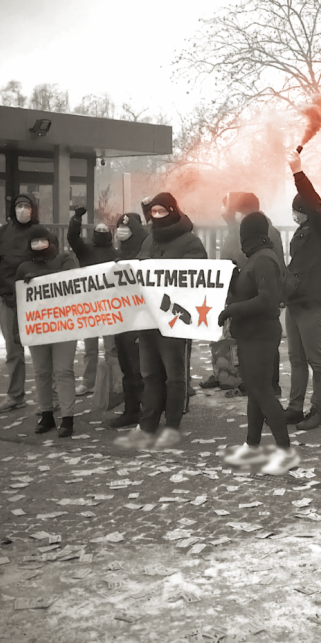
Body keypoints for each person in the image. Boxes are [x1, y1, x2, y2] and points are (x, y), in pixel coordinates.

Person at [114, 192, 207, 450]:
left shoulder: (190, 241)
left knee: (174, 377)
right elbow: (139, 270)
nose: (156, 216)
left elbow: (196, 273)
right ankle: (148, 423)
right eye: (153, 212)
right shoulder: (149, 240)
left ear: (172, 211)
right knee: (150, 374)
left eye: (161, 211)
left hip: (175, 318)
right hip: (148, 318)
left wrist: (157, 267)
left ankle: (172, 425)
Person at [220, 212, 300, 475]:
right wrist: (235, 278)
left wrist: (232, 310)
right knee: (255, 391)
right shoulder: (256, 258)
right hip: (251, 335)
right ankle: (252, 445)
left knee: (263, 392)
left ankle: (284, 452)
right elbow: (251, 291)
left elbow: (267, 300)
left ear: (249, 235)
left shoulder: (263, 259)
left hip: (260, 335)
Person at [283, 149, 321, 431]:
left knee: (315, 360)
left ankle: (318, 410)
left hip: (313, 304)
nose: (294, 214)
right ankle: (294, 408)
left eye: (297, 210)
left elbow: (313, 201)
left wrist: (298, 172)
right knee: (296, 358)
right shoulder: (302, 232)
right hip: (295, 303)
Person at [208, 192, 285, 396]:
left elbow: (274, 263)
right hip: (243, 287)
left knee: (265, 348)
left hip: (256, 289)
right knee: (241, 342)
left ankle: (270, 385)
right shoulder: (240, 229)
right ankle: (238, 376)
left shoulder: (266, 234)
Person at [0, 193, 39, 412]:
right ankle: (15, 395)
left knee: (43, 350)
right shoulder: (2, 233)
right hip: (9, 300)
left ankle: (51, 398)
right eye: (19, 206)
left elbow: (51, 262)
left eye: (27, 206)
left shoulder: (40, 233)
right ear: (13, 209)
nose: (23, 210)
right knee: (13, 351)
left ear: (33, 209)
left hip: (36, 301)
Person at [15, 227, 79, 437]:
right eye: (34, 241)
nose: (39, 244)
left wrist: (40, 278)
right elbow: (18, 300)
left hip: (64, 324)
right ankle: (47, 415)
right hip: (37, 325)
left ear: (51, 241)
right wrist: (18, 329)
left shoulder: (64, 259)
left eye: (42, 240)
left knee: (63, 371)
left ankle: (67, 418)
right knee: (42, 372)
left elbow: (71, 278)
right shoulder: (23, 267)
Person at [104, 210, 149, 429]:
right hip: (121, 317)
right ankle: (131, 410)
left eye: (127, 227)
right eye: (120, 227)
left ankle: (146, 410)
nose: (122, 231)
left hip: (138, 319)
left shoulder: (145, 253)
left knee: (138, 368)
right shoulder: (119, 253)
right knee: (126, 368)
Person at [67, 206, 118, 396]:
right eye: (99, 230)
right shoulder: (86, 251)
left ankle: (112, 381)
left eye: (105, 230)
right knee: (90, 349)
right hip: (89, 305)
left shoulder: (116, 254)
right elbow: (72, 238)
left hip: (109, 306)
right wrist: (76, 219)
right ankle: (88, 382)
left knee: (111, 348)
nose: (102, 232)